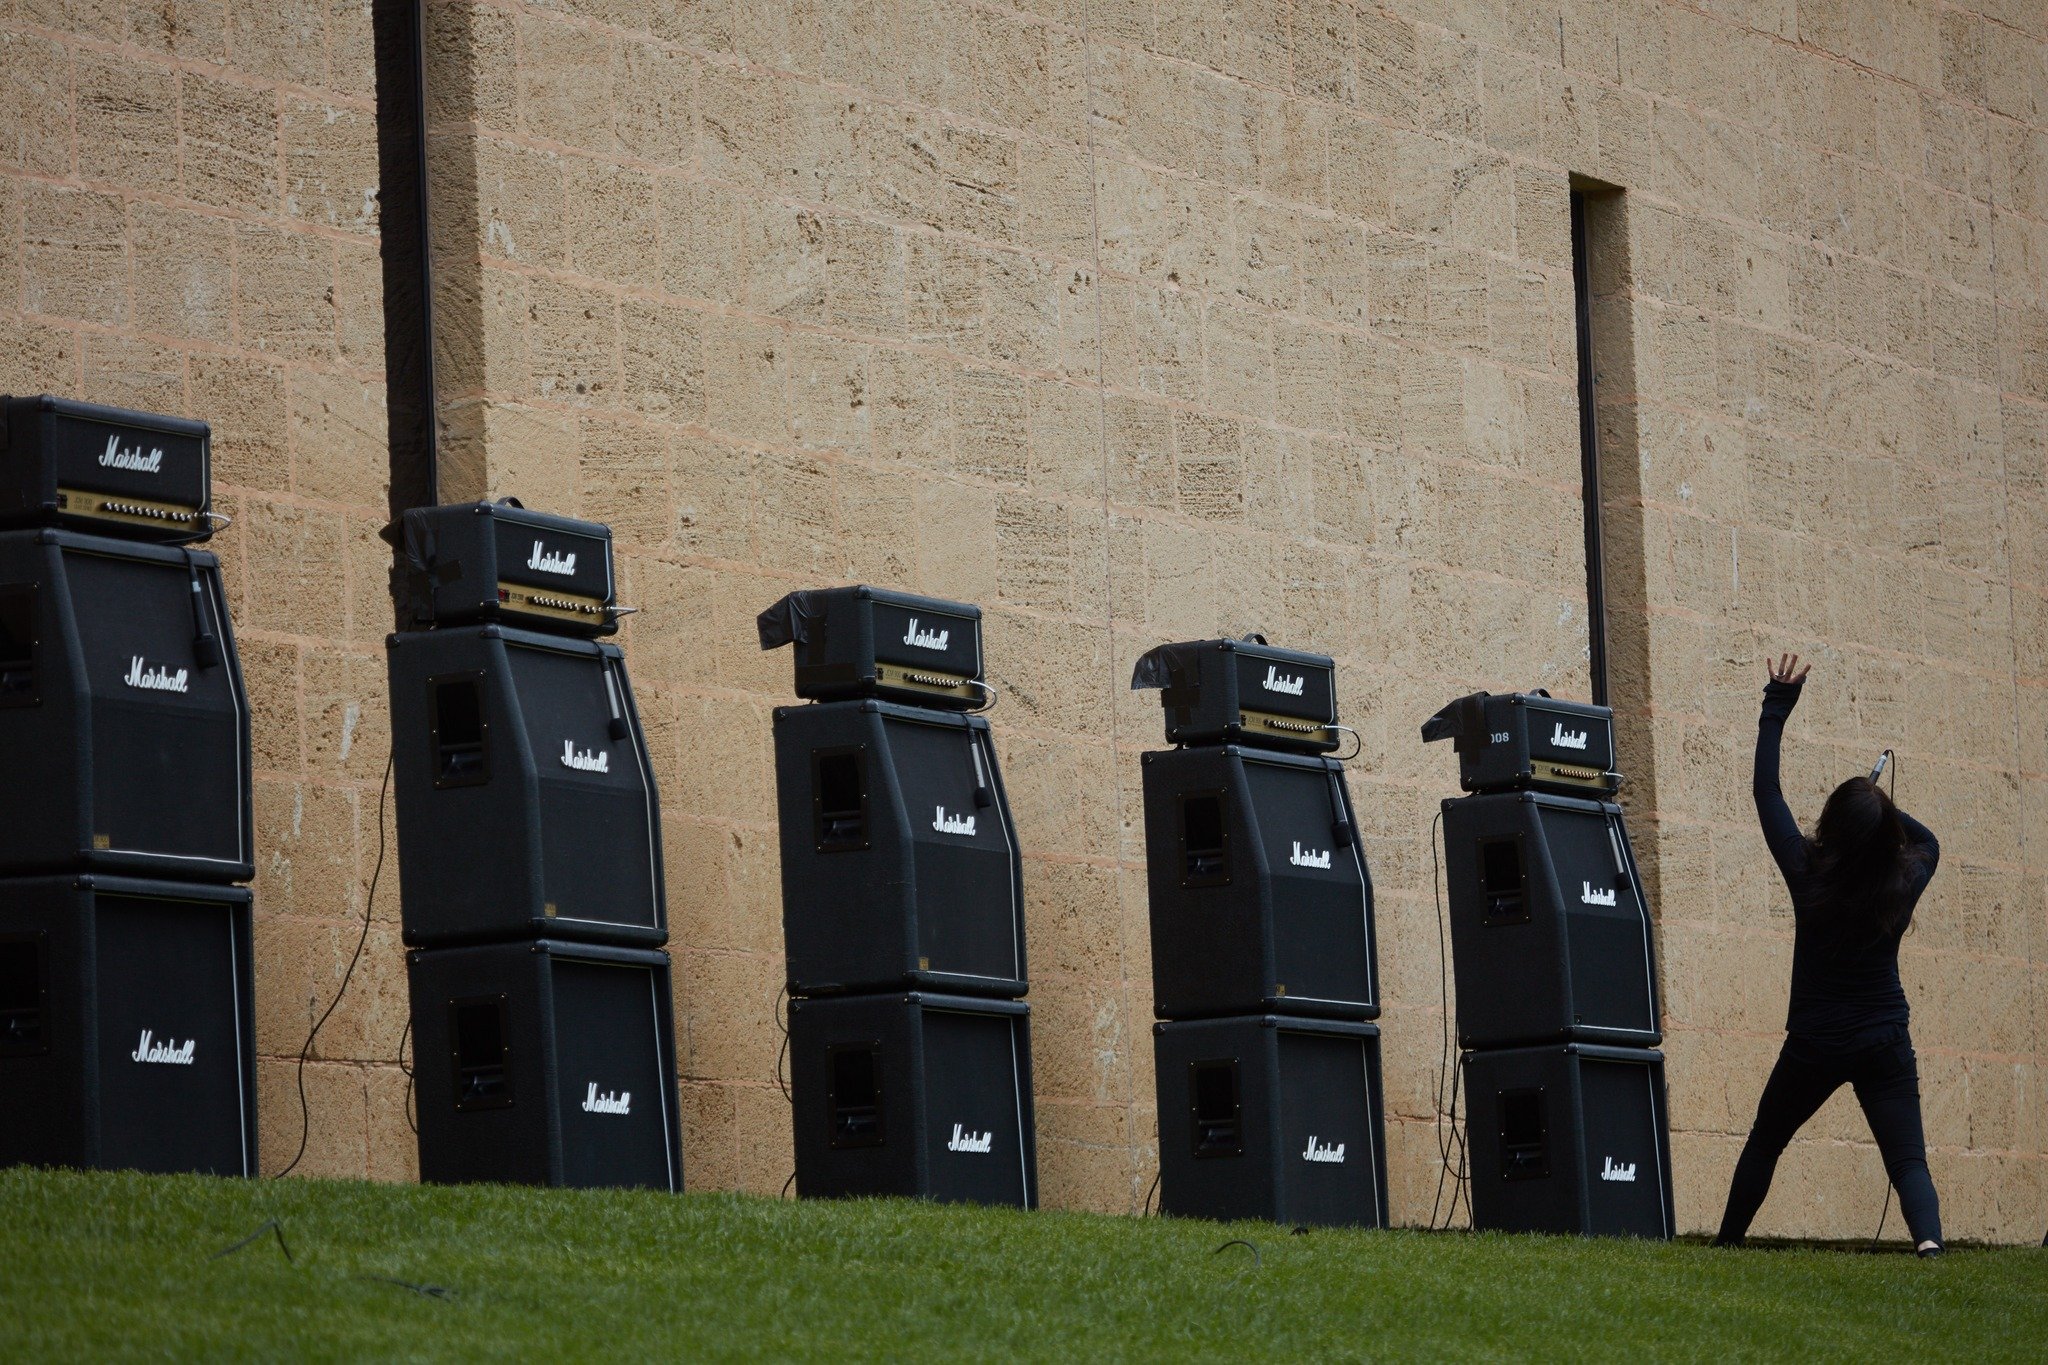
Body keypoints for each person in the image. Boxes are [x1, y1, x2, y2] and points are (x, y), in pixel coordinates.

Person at [1714, 653, 1944, 1255]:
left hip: (1815, 1040)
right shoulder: (1907, 876)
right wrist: (1881, 812)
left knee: (1766, 1141)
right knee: (1908, 1160)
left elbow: (1766, 790)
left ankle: (1728, 1243)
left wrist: (1776, 706)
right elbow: (1927, 840)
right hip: (1881, 1037)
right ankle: (1929, 1246)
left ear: (1833, 831)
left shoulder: (1806, 871)